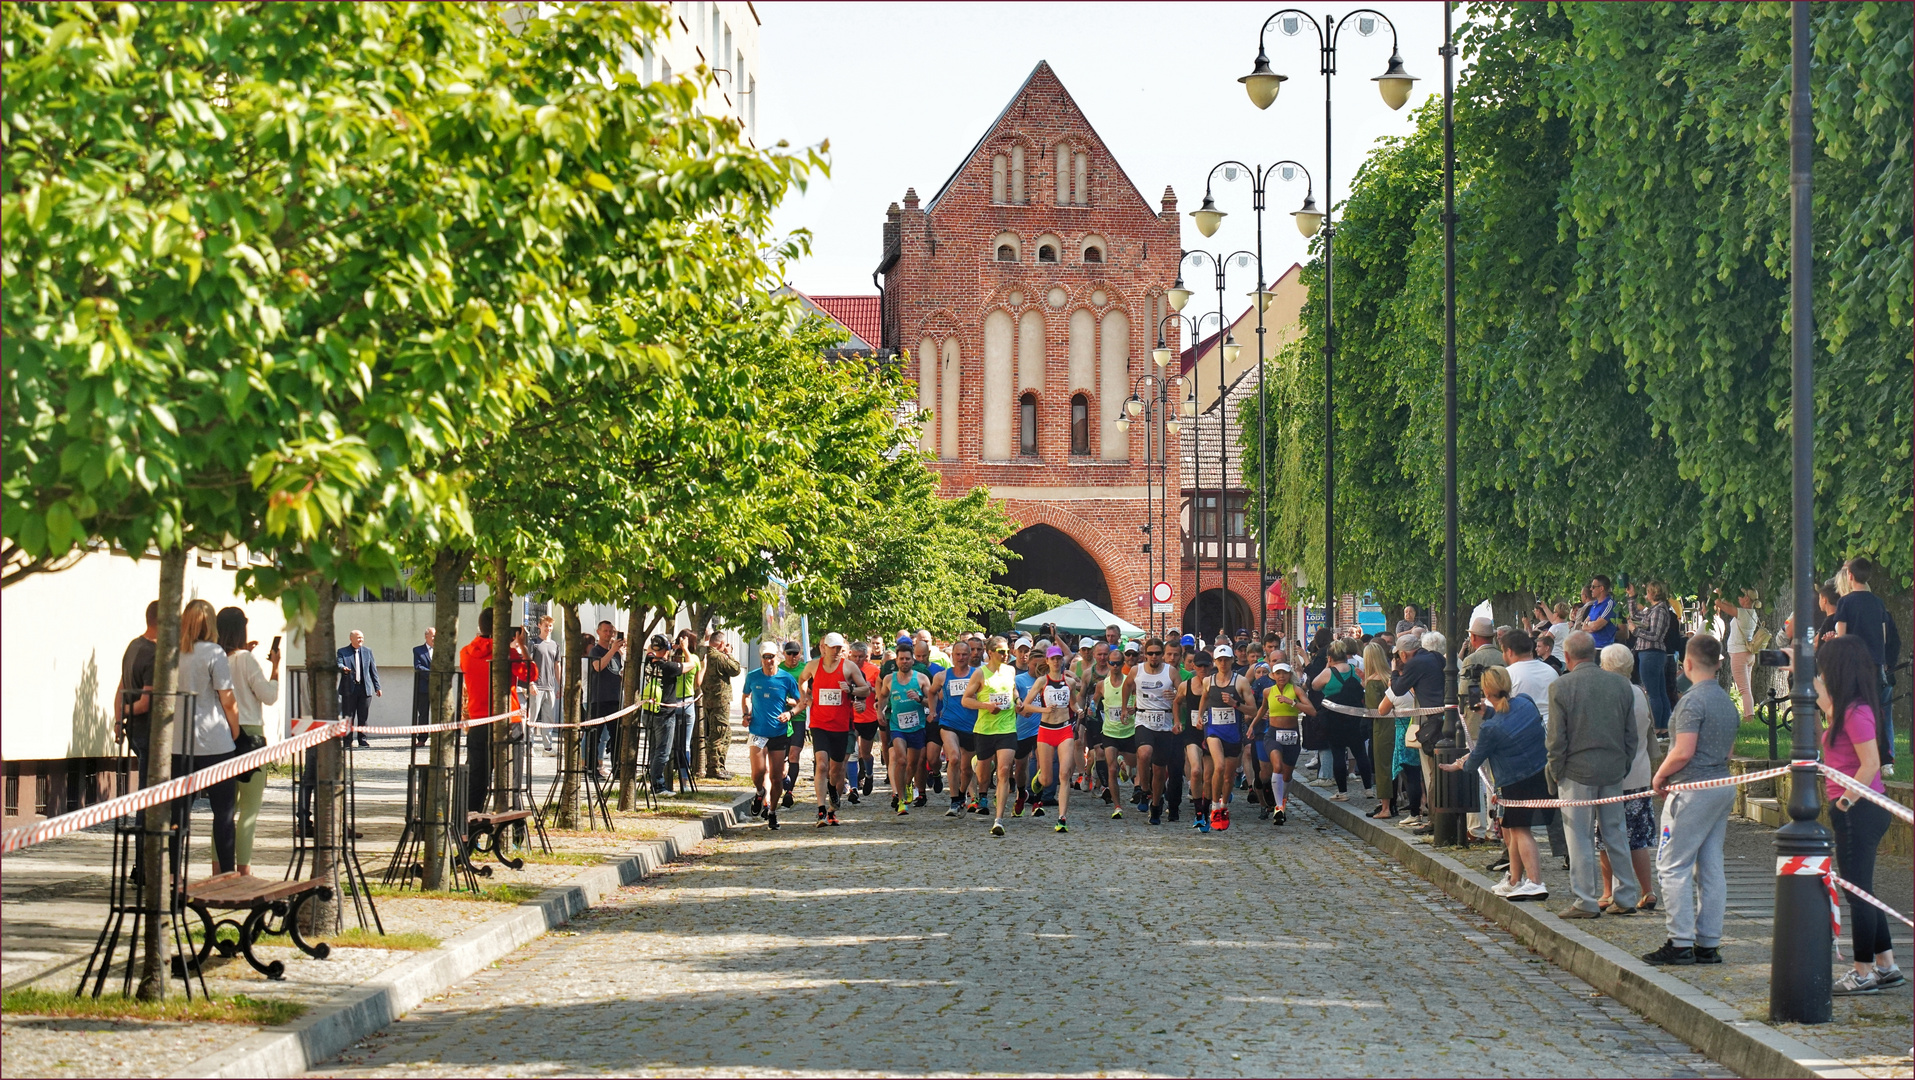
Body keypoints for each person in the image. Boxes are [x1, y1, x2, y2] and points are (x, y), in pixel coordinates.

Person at [1814, 635, 1904, 993]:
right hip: (1858, 809)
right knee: (1862, 890)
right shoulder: (1846, 708)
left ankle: (1863, 970)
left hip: (1860, 811)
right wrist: (1799, 667)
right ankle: (1887, 964)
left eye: (1824, 667)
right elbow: (1825, 704)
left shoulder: (1855, 712)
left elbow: (1871, 765)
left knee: (1858, 893)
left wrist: (1844, 803)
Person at [1642, 634, 1739, 964]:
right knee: (1711, 865)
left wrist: (1660, 775)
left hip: (1692, 789)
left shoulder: (1691, 701)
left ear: (1687, 663)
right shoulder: (1726, 701)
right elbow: (1728, 751)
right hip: (1722, 785)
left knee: (1673, 864)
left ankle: (1680, 940)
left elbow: (1683, 751)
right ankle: (1708, 942)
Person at [1547, 630, 1640, 918]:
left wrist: (1555, 770)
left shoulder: (1561, 687)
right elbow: (1630, 735)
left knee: (1580, 838)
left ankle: (1585, 900)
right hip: (1612, 768)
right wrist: (1623, 763)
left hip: (1576, 771)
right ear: (1595, 653)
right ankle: (1626, 895)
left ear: (1567, 656)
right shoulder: (1621, 685)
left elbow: (1556, 739)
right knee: (1616, 833)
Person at [1441, 666, 1549, 901]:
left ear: (1486, 691)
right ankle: (1514, 879)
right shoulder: (1525, 702)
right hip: (1539, 773)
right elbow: (1508, 723)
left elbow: (1475, 762)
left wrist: (1458, 764)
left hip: (1514, 781)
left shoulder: (1491, 729)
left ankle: (1535, 881)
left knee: (1521, 832)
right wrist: (1488, 714)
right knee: (1511, 831)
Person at [175, 599, 241, 874]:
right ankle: (226, 873)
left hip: (179, 741)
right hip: (214, 740)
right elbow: (226, 698)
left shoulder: (171, 653)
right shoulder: (214, 653)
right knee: (223, 814)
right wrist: (237, 734)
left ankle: (171, 875)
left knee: (177, 815)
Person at [217, 607, 278, 877]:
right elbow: (268, 696)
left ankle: (219, 871)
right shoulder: (246, 660)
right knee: (249, 810)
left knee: (224, 810)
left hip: (220, 734)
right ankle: (243, 871)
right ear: (242, 628)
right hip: (250, 733)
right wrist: (275, 667)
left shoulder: (215, 657)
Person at [1598, 643, 1658, 914]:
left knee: (1607, 836)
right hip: (1640, 772)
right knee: (1638, 838)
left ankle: (1609, 890)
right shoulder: (1639, 692)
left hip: (1613, 775)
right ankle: (1647, 890)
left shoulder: (1608, 693)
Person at [1833, 556, 1901, 769]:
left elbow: (1842, 637)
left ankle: (1856, 755)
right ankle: (1885, 760)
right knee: (1877, 711)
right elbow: (1882, 636)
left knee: (1852, 710)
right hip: (1874, 664)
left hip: (1853, 665)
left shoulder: (1845, 602)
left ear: (1850, 576)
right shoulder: (1877, 602)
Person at [798, 632, 868, 826]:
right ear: (824, 648)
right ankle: (821, 810)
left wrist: (851, 690)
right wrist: (806, 697)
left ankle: (831, 800)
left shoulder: (849, 667)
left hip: (841, 726)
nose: (837, 651)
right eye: (833, 648)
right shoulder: (813, 666)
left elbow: (866, 689)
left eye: (839, 648)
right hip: (819, 724)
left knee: (836, 771)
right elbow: (802, 680)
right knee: (821, 765)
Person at [962, 636, 1021, 837]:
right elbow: (966, 700)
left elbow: (1013, 690)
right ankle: (978, 766)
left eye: (1007, 651)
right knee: (983, 776)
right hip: (985, 729)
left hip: (1007, 728)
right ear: (990, 652)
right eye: (1001, 652)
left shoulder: (1010, 670)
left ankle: (999, 820)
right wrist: (986, 705)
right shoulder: (980, 674)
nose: (1006, 655)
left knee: (1005, 770)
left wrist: (1018, 700)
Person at [742, 642, 799, 831]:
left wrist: (790, 713)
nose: (769, 660)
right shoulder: (752, 676)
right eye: (765, 657)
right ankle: (759, 793)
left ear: (777, 657)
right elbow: (746, 696)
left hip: (778, 732)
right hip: (757, 731)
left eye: (772, 657)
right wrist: (746, 713)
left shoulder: (786, 678)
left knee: (776, 776)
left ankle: (773, 812)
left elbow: (802, 702)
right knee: (758, 772)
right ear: (761, 658)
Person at [1123, 636, 1179, 826]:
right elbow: (1126, 686)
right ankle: (1144, 788)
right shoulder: (1136, 670)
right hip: (1143, 719)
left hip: (1164, 721)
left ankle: (1155, 806)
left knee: (1159, 769)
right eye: (1150, 654)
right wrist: (1125, 707)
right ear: (1144, 655)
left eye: (1157, 653)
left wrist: (1177, 695)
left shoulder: (1170, 672)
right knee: (1144, 753)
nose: (1154, 657)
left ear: (1162, 655)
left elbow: (1183, 695)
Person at [1022, 646, 1079, 833]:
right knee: (1047, 780)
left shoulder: (1069, 682)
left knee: (1064, 774)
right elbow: (1026, 706)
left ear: (1062, 660)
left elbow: (1074, 703)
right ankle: (1040, 778)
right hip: (1046, 731)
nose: (1056, 661)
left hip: (1064, 730)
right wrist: (1044, 710)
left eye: (1059, 658)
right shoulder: (1041, 681)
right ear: (1047, 661)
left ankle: (1062, 817)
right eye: (1052, 658)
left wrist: (1079, 710)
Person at [1311, 640, 1372, 802]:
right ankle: (1368, 789)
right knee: (1360, 753)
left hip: (1334, 719)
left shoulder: (1328, 673)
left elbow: (1314, 685)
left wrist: (1327, 666)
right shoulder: (1354, 670)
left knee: (1338, 754)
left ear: (1330, 657)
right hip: (1354, 718)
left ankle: (1342, 792)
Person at [1198, 645, 1251, 830]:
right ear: (1215, 662)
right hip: (1213, 731)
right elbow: (1204, 698)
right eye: (1220, 660)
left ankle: (1223, 806)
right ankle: (1213, 806)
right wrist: (1200, 715)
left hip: (1233, 734)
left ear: (1232, 661)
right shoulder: (1208, 681)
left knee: (1228, 777)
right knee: (1218, 766)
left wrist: (1235, 704)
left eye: (1226, 660)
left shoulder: (1241, 682)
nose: (1223, 663)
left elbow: (1252, 709)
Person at [878, 642, 931, 816]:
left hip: (917, 726)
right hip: (897, 726)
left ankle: (908, 784)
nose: (904, 662)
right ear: (897, 660)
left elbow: (931, 701)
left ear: (912, 659)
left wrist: (919, 698)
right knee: (901, 760)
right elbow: (883, 697)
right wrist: (879, 712)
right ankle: (901, 800)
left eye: (908, 659)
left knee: (913, 764)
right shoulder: (889, 679)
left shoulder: (921, 678)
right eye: (901, 659)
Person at [1261, 662, 1315, 826]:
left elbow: (1312, 710)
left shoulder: (1296, 690)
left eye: (1284, 673)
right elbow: (1262, 709)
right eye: (1278, 673)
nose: (1281, 676)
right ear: (1273, 676)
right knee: (1277, 766)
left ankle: (1282, 801)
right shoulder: (1267, 691)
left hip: (1292, 736)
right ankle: (1278, 807)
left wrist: (1291, 702)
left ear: (1289, 674)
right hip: (1273, 734)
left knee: (1287, 774)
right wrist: (1252, 724)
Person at [932, 641, 977, 816]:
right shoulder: (943, 676)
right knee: (954, 758)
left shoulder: (976, 675)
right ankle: (953, 800)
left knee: (966, 769)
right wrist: (932, 710)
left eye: (964, 654)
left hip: (971, 725)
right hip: (949, 722)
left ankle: (961, 796)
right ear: (952, 655)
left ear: (970, 655)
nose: (961, 658)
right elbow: (931, 691)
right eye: (957, 654)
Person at [117, 601, 160, 786]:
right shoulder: (154, 654)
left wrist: (119, 718)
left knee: (147, 789)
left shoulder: (134, 645)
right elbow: (145, 703)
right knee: (150, 792)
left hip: (133, 729)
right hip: (150, 731)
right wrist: (124, 709)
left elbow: (121, 687)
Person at [460, 608, 497, 812]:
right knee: (509, 781)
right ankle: (515, 833)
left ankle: (469, 825)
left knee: (476, 778)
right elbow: (530, 674)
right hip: (503, 721)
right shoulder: (504, 652)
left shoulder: (466, 652)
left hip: (477, 719)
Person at [1627, 582, 1675, 733]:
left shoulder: (1659, 611)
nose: (1646, 595)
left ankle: (1657, 727)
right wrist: (1631, 596)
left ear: (1653, 593)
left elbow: (1655, 635)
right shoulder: (1652, 610)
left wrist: (1635, 631)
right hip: (1650, 653)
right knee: (1660, 692)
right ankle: (1663, 727)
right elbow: (1635, 615)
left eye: (1647, 591)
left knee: (1653, 692)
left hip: (1651, 653)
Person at [696, 630, 741, 779]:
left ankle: (720, 765)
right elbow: (736, 669)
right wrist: (729, 653)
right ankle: (714, 768)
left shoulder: (705, 655)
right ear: (722, 643)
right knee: (719, 733)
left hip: (709, 700)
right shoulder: (719, 657)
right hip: (719, 701)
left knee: (725, 733)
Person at [584, 621, 626, 778]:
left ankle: (617, 768)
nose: (609, 634)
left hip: (614, 699)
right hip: (599, 699)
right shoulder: (596, 650)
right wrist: (612, 650)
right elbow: (598, 666)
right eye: (606, 631)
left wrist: (620, 652)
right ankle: (591, 768)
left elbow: (618, 671)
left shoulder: (616, 652)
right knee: (595, 735)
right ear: (599, 632)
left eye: (611, 631)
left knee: (616, 736)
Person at [1360, 642, 1396, 820]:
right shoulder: (1389, 676)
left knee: (1382, 766)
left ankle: (1386, 807)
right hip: (1396, 724)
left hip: (1382, 727)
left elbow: (1374, 709)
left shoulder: (1373, 682)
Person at [1716, 588, 1760, 724]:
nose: (1738, 598)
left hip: (1739, 654)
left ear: (1747, 598)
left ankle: (1749, 717)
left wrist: (1718, 595)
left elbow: (1721, 605)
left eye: (1741, 596)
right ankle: (1749, 715)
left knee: (1744, 689)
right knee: (1747, 688)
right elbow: (1730, 605)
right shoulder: (1752, 613)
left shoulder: (1742, 613)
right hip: (1748, 654)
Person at [847, 639, 883, 799]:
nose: (857, 660)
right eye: (854, 656)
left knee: (865, 753)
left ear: (866, 656)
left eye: (861, 657)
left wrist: (872, 688)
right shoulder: (845, 669)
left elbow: (883, 692)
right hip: (850, 716)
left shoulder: (874, 670)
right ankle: (853, 788)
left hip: (868, 716)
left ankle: (869, 774)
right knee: (852, 752)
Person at [778, 641, 809, 807]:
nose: (792, 657)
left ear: (800, 653)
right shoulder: (779, 669)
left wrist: (796, 702)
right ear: (784, 653)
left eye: (795, 653)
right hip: (781, 718)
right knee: (781, 758)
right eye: (789, 653)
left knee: (794, 754)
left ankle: (789, 792)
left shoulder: (805, 670)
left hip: (798, 717)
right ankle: (784, 780)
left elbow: (808, 694)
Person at [337, 629, 380, 748]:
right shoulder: (342, 651)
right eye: (358, 638)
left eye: (362, 637)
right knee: (348, 716)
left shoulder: (367, 651)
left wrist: (377, 687)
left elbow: (373, 670)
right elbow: (339, 663)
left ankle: (363, 740)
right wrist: (343, 668)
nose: (361, 640)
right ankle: (347, 741)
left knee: (363, 716)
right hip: (349, 689)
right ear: (351, 639)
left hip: (364, 689)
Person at [527, 617, 560, 756]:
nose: (548, 628)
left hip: (550, 686)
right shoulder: (533, 644)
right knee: (532, 718)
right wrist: (531, 683)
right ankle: (529, 746)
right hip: (536, 686)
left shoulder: (555, 645)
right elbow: (528, 663)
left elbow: (557, 665)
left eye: (550, 626)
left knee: (549, 718)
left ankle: (547, 748)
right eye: (546, 626)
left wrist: (560, 685)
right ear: (539, 626)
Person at [412, 627, 437, 748]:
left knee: (439, 713)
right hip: (423, 687)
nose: (434, 638)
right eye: (432, 636)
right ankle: (422, 738)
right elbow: (418, 666)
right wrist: (433, 675)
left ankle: (438, 737)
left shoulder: (441, 650)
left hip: (438, 687)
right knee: (423, 714)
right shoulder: (418, 650)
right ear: (426, 636)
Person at [1582, 575, 1620, 649]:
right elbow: (1583, 626)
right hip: (1592, 647)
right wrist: (1591, 624)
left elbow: (1596, 626)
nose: (1590, 589)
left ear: (1601, 588)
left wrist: (1590, 625)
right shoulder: (1594, 605)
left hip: (1603, 648)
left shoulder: (1610, 605)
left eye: (1593, 587)